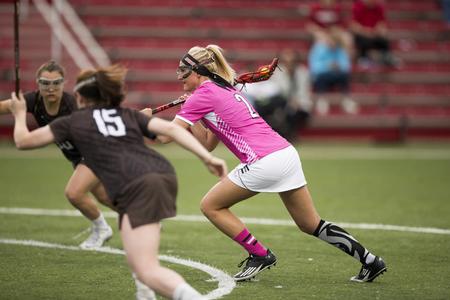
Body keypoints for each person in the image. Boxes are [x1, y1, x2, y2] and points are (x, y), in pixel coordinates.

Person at [143, 44, 387, 283]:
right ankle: (370, 260)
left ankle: (259, 255)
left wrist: (142, 122)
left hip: (263, 161)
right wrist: (191, 113)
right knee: (309, 223)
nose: (178, 77)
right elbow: (207, 144)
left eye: (182, 71)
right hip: (286, 154)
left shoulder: (203, 95)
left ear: (196, 71)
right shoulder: (224, 90)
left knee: (211, 206)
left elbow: (166, 136)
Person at [10, 64, 227, 299]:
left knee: (148, 270)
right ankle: (144, 294)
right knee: (137, 257)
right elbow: (172, 131)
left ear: (80, 98)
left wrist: (20, 112)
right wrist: (207, 157)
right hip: (161, 175)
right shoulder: (128, 114)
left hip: (136, 186)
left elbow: (23, 141)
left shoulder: (72, 122)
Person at [0, 60, 113, 249]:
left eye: (56, 83)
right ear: (37, 83)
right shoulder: (33, 100)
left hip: (95, 152)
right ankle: (143, 218)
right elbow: (5, 106)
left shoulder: (72, 107)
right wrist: (15, 106)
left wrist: (18, 114)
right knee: (104, 197)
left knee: (74, 193)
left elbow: (23, 142)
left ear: (64, 83)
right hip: (77, 157)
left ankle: (102, 229)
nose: (50, 88)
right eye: (45, 83)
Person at [243, 48, 312, 141]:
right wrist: (289, 102)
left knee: (299, 111)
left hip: (299, 103)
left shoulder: (303, 72)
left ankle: (290, 133)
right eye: (287, 61)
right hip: (281, 102)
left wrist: (298, 102)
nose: (290, 64)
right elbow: (275, 91)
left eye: (292, 61)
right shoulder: (276, 73)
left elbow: (304, 92)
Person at [308, 32, 358, 115]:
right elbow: (314, 68)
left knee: (344, 76)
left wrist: (338, 66)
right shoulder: (318, 49)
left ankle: (346, 100)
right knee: (321, 77)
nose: (333, 44)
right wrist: (328, 66)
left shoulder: (341, 50)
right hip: (322, 76)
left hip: (336, 75)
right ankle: (322, 100)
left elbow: (346, 67)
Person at [350, 0, 396, 68]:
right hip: (362, 34)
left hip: (374, 34)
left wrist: (377, 31)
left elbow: (382, 24)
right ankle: (363, 58)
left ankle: (386, 57)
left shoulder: (379, 7)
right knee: (363, 41)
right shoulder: (358, 6)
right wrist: (365, 31)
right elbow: (353, 25)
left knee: (384, 40)